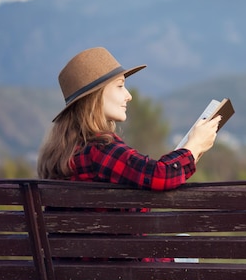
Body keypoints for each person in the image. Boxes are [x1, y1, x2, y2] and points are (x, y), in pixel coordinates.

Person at [37, 46, 220, 187]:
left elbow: (150, 177)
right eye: (119, 86)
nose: (129, 95)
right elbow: (160, 176)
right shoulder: (100, 150)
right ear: (95, 96)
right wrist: (194, 145)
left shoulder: (65, 152)